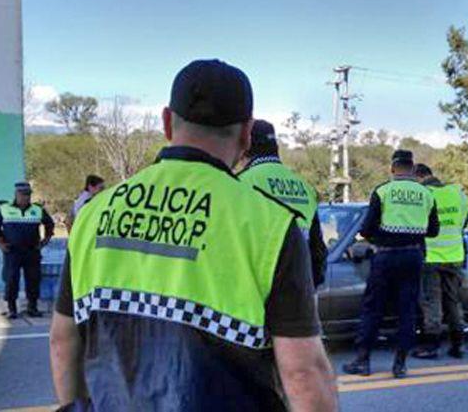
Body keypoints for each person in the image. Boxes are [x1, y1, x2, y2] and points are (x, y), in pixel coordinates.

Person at [49, 59, 337, 411]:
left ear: (167, 121)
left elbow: (63, 342)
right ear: (247, 132)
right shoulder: (270, 225)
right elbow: (303, 374)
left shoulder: (94, 213)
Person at [342, 150, 440, 379]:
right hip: (413, 257)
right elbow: (433, 231)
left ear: (393, 168)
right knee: (407, 311)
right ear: (413, 169)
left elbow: (366, 229)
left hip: (386, 256)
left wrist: (383, 237)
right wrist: (412, 233)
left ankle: (363, 361)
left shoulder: (383, 190)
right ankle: (400, 364)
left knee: (373, 308)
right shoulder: (425, 194)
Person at [239, 119, 328, 288]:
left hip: (258, 288)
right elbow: (317, 249)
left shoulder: (242, 182)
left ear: (246, 147)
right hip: (299, 285)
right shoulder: (305, 187)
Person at [412, 163, 468, 360]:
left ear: (419, 177)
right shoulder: (457, 193)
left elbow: (417, 226)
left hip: (431, 257)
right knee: (454, 302)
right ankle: (458, 344)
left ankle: (431, 346)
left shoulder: (424, 195)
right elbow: (462, 222)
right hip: (454, 256)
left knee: (431, 302)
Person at [0, 181, 55, 319]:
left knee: (33, 280)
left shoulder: (38, 209)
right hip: (12, 252)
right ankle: (12, 309)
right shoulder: (4, 208)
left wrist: (44, 241)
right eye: (23, 194)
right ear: (16, 194)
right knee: (11, 279)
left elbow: (50, 225)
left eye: (28, 195)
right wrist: (1, 243)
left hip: (32, 251)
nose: (26, 197)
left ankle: (32, 308)